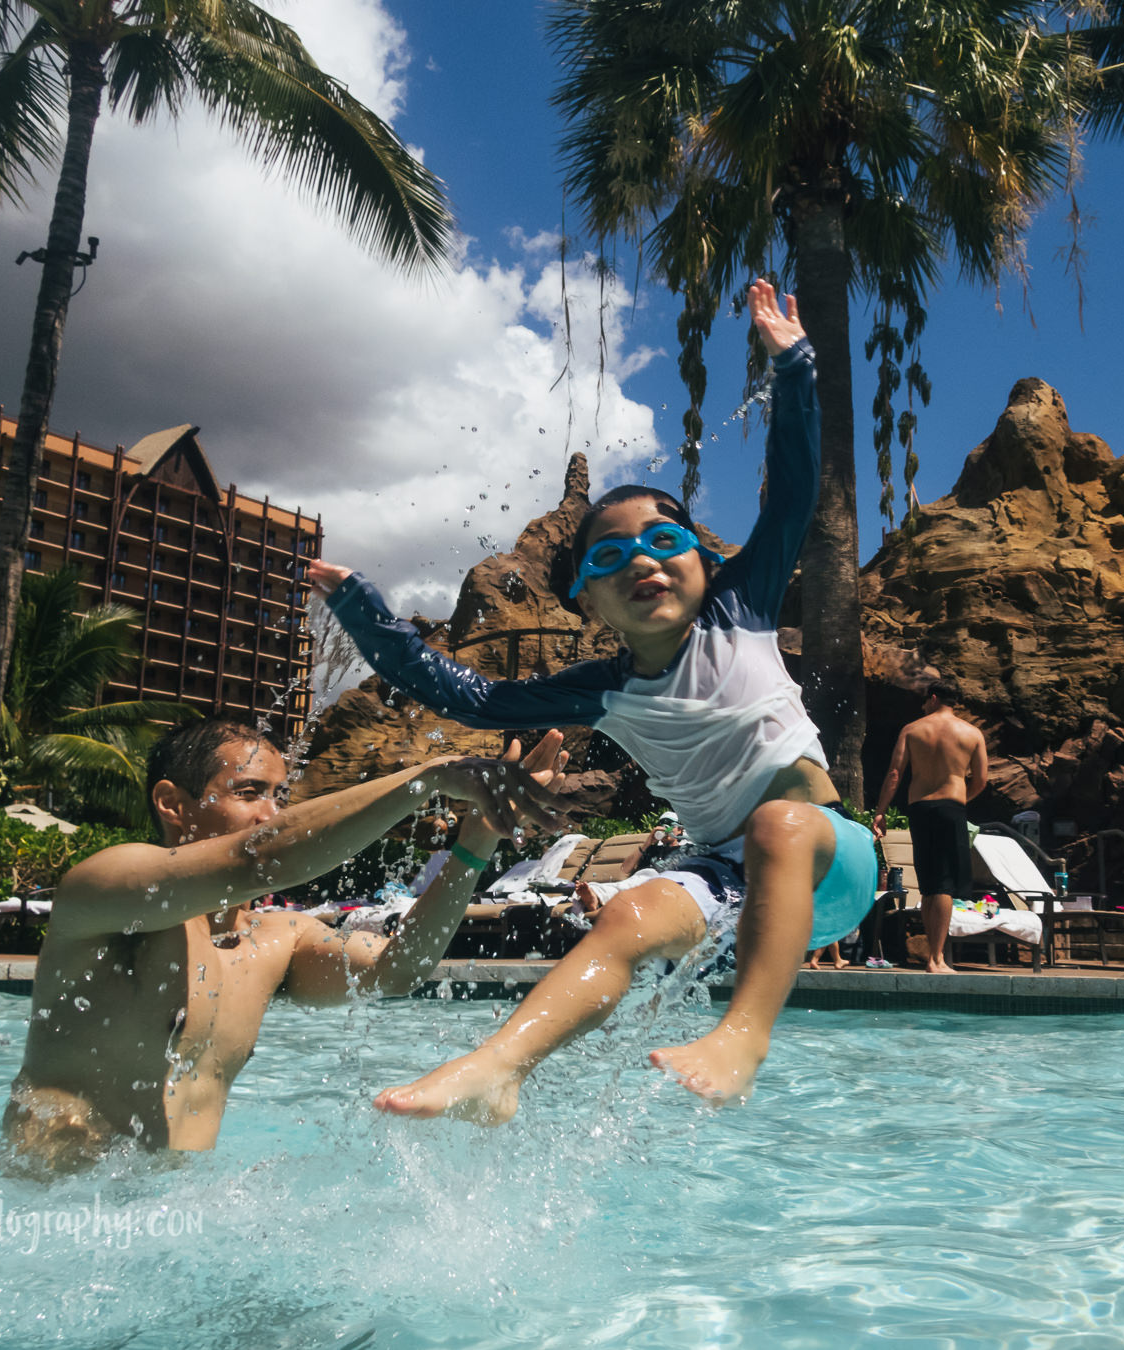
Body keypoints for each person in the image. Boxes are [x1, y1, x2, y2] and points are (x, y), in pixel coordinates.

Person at [308, 280, 877, 1121]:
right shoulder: (601, 691)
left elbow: (793, 489)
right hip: (729, 877)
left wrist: (794, 364)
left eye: (665, 540)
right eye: (611, 559)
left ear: (701, 560)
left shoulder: (742, 606)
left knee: (777, 824)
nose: (643, 561)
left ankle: (741, 1036)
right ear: (585, 599)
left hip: (831, 858)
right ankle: (497, 1068)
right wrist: (361, 605)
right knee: (627, 915)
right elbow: (459, 690)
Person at [1, 716, 570, 1171]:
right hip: (52, 1204)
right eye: (249, 792)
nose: (273, 814)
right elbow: (263, 857)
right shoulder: (110, 890)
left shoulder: (275, 940)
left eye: (280, 795)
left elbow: (399, 971)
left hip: (174, 1213)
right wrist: (431, 777)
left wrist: (476, 841)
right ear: (173, 804)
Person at [869, 680, 989, 974]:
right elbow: (982, 780)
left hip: (920, 809)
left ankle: (933, 958)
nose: (923, 705)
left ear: (933, 699)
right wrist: (960, 798)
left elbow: (895, 773)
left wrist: (881, 812)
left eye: (925, 700)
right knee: (945, 884)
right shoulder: (972, 733)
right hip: (952, 809)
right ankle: (937, 958)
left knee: (929, 884)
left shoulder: (912, 730)